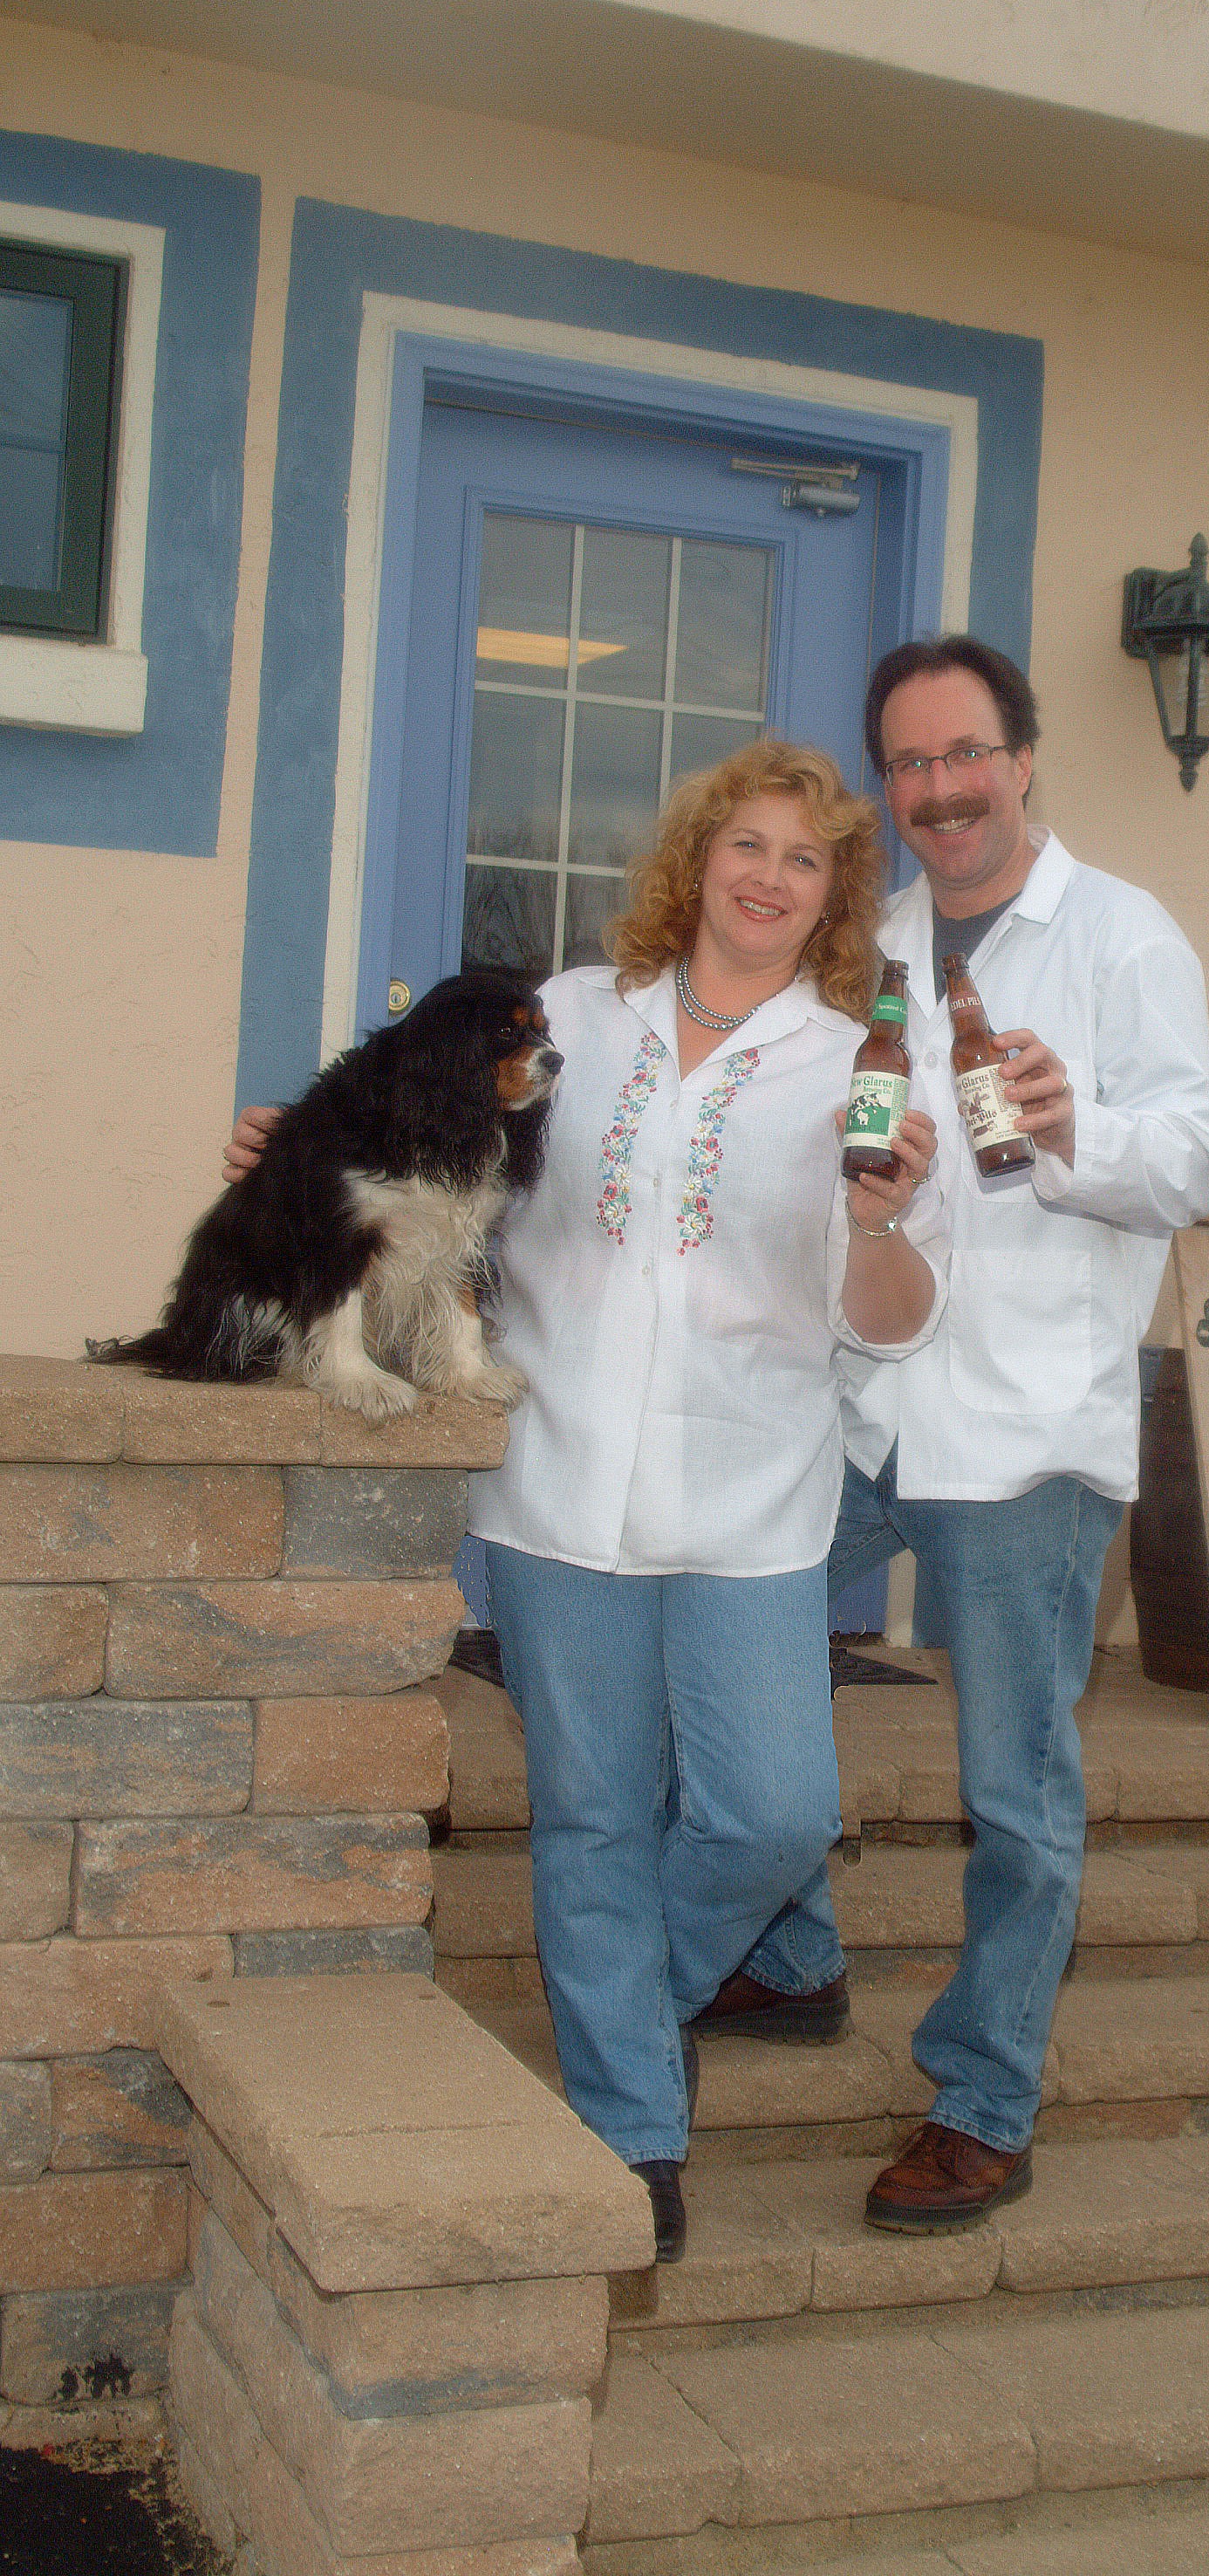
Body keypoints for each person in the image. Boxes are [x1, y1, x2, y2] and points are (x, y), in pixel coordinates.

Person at [225, 740, 945, 2263]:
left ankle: (634, 1992)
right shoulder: (572, 1019)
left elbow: (886, 1318)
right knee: (592, 1820)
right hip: (555, 1490)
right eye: (746, 845)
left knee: (772, 1812)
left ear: (833, 896)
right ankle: (629, 2128)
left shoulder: (858, 1064)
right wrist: (290, 1166)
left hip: (750, 1495)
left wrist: (880, 1224)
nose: (767, 877)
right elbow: (407, 1136)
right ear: (697, 862)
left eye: (804, 860)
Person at [695, 639, 1209, 2235]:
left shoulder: (1126, 937)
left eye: (964, 756)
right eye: (910, 765)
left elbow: (1195, 1158)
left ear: (1024, 758)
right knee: (745, 1643)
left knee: (1016, 1784)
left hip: (1026, 1430)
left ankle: (987, 2097)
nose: (938, 791)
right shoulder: (884, 945)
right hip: (872, 1402)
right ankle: (790, 1952)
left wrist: (1079, 1131)